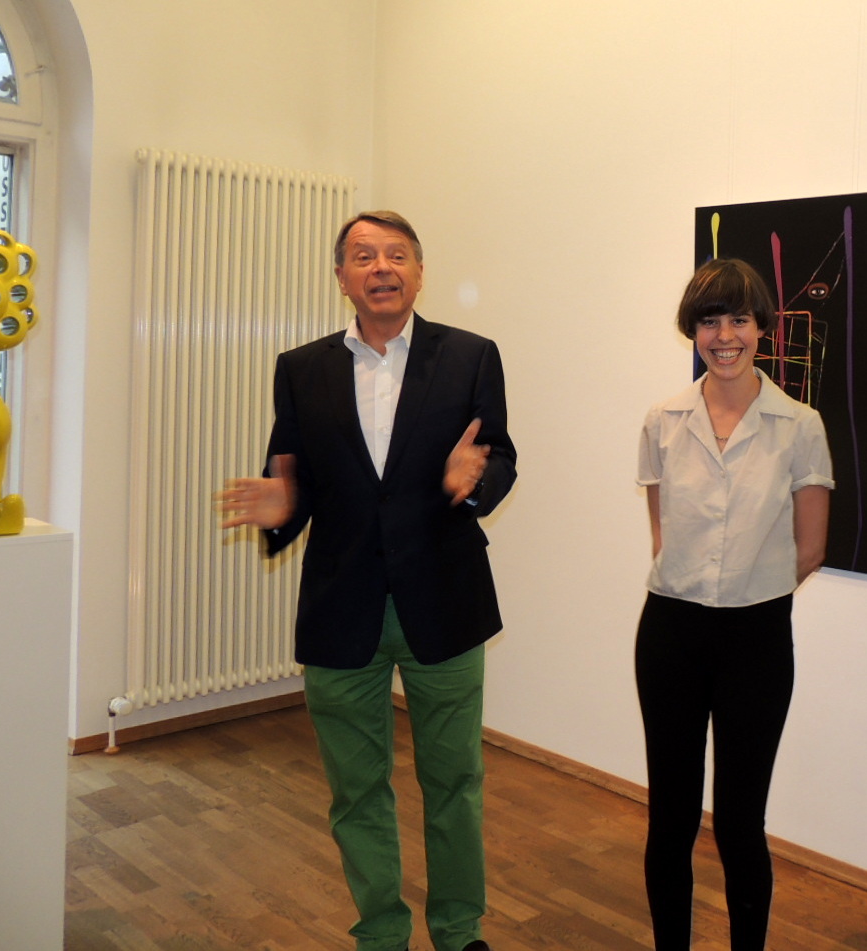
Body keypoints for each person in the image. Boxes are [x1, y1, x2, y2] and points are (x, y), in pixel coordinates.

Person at [217, 210, 516, 951]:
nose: (381, 267)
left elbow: (500, 456)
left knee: (455, 782)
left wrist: (475, 483)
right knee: (356, 790)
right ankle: (381, 934)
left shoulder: (471, 355)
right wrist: (284, 507)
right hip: (340, 605)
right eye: (363, 256)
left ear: (419, 271)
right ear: (342, 277)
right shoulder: (300, 368)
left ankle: (459, 930)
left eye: (396, 254)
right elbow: (291, 473)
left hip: (445, 601)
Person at [634, 258, 833, 951]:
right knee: (671, 817)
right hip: (670, 633)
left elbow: (810, 548)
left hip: (757, 639)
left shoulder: (800, 424)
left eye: (739, 320)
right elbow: (663, 533)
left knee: (741, 823)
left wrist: (743, 589)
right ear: (693, 331)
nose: (725, 336)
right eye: (710, 321)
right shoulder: (663, 420)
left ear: (761, 328)